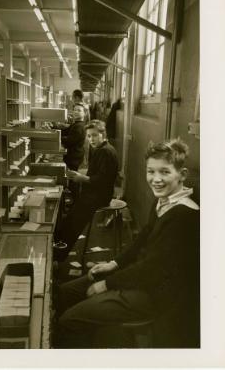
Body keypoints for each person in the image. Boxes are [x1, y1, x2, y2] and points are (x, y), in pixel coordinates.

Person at [54, 138, 200, 348]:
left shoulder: (184, 215)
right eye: (151, 171)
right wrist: (114, 264)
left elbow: (152, 270)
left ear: (182, 175)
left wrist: (107, 284)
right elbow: (142, 239)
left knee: (69, 320)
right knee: (65, 293)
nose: (156, 179)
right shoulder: (164, 201)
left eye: (165, 172)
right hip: (141, 278)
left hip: (155, 295)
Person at [53, 120, 118, 261]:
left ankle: (58, 258)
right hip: (95, 193)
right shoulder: (102, 149)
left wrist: (81, 178)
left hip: (99, 196)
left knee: (71, 225)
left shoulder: (105, 152)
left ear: (103, 134)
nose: (91, 139)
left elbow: (102, 180)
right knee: (69, 220)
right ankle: (58, 254)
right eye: (88, 136)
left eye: (94, 135)